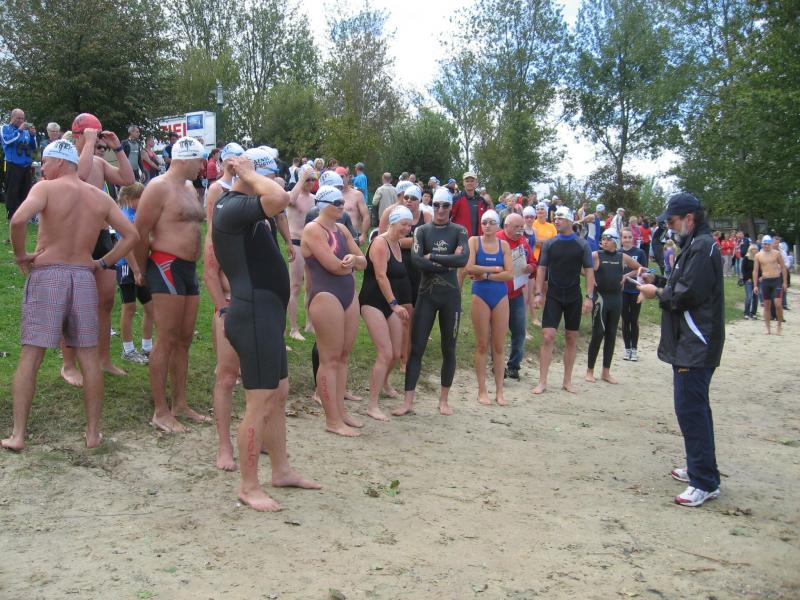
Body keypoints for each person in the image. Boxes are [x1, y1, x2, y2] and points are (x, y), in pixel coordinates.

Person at [2, 140, 138, 451]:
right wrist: (102, 262)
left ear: (60, 162)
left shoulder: (45, 188)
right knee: (89, 356)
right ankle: (92, 434)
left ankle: (18, 435)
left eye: (46, 162)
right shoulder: (99, 196)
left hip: (48, 274)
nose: (42, 167)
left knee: (31, 354)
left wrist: (22, 254)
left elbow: (18, 219)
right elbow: (131, 235)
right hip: (83, 276)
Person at [212, 151, 320, 511]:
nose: (274, 182)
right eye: (270, 176)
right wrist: (247, 173)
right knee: (258, 401)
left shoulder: (253, 208)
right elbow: (279, 198)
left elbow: (276, 201)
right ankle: (248, 486)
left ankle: (281, 469)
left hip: (268, 313)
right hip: (253, 313)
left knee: (279, 392)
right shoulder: (232, 207)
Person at [636, 192, 724, 507]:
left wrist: (655, 292)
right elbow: (681, 285)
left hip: (696, 343)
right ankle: (701, 468)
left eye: (672, 221)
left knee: (691, 410)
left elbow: (686, 296)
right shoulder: (696, 245)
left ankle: (704, 482)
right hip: (691, 342)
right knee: (693, 409)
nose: (669, 227)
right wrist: (658, 280)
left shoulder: (701, 247)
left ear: (689, 218)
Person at [134, 136, 208, 433]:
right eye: (199, 160)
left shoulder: (188, 188)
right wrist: (140, 270)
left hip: (188, 269)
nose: (202, 166)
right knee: (166, 337)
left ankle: (180, 403)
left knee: (184, 339)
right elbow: (140, 231)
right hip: (165, 264)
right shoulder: (158, 187)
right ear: (185, 159)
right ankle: (160, 411)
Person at [62, 113, 135, 385]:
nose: (98, 142)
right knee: (73, 305)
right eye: (93, 135)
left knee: (105, 302)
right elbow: (79, 176)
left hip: (102, 236)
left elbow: (127, 179)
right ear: (79, 135)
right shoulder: (68, 160)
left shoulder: (99, 162)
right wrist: (89, 142)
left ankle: (104, 359)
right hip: (76, 238)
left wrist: (118, 148)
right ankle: (69, 365)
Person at [393, 187, 469, 417]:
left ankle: (443, 401)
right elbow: (417, 261)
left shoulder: (459, 230)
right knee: (416, 348)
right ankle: (408, 402)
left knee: (449, 348)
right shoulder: (422, 230)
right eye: (436, 205)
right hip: (426, 295)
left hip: (450, 297)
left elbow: (463, 259)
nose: (440, 209)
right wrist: (448, 262)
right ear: (432, 205)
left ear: (451, 207)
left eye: (445, 205)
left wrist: (433, 257)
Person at [301, 185, 367, 437]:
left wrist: (355, 261)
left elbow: (363, 260)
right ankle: (332, 419)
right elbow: (332, 266)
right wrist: (352, 264)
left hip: (347, 294)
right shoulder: (312, 229)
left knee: (343, 356)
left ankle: (340, 412)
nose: (342, 206)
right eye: (337, 203)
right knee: (329, 359)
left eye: (342, 202)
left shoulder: (341, 229)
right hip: (325, 295)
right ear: (323, 205)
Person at [203, 142, 246, 470]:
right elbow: (210, 269)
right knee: (227, 376)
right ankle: (224, 445)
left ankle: (255, 433)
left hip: (257, 302)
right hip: (232, 303)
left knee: (260, 377)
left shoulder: (258, 215)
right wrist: (222, 308)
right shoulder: (219, 218)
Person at [531, 207, 594, 395]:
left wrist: (589, 297)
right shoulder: (550, 244)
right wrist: (538, 293)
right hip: (554, 294)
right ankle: (542, 381)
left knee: (571, 337)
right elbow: (542, 268)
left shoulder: (582, 245)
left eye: (560, 218)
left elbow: (589, 271)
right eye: (556, 218)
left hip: (573, 295)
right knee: (547, 335)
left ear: (570, 221)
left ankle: (567, 381)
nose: (556, 221)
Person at [358, 205, 413, 421]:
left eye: (409, 225)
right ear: (392, 222)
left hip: (391, 304)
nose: (407, 229)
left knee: (397, 353)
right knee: (385, 353)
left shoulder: (397, 243)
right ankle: (372, 405)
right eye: (403, 224)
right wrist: (394, 304)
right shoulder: (380, 243)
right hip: (373, 302)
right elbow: (381, 276)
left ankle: (385, 382)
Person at [465, 210, 513, 405]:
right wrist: (494, 270)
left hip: (500, 295)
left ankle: (500, 391)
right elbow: (469, 267)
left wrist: (484, 275)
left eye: (492, 222)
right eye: (484, 222)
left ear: (498, 225)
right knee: (482, 344)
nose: (487, 226)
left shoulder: (504, 245)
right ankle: (482, 390)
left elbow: (510, 274)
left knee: (499, 346)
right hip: (480, 294)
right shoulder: (474, 242)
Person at [585, 229, 642, 384]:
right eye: (603, 239)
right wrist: (590, 277)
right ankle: (590, 371)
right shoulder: (596, 255)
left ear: (615, 241)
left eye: (608, 239)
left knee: (611, 334)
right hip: (600, 298)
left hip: (616, 298)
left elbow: (639, 268)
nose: (604, 242)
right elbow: (581, 266)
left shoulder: (622, 257)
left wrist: (626, 276)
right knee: (598, 333)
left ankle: (606, 372)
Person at [115, 183, 154, 364]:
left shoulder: (139, 214)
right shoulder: (124, 217)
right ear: (130, 198)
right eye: (141, 198)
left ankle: (147, 347)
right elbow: (126, 247)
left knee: (150, 307)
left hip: (141, 267)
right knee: (129, 308)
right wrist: (136, 270)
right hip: (127, 267)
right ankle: (128, 350)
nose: (144, 201)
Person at [496, 213, 536, 380]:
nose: (520, 230)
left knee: (519, 330)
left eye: (521, 227)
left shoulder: (523, 241)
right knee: (498, 331)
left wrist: (530, 267)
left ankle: (514, 366)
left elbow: (533, 262)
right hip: (498, 293)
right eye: (516, 227)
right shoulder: (496, 239)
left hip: (516, 293)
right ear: (506, 226)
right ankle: (497, 366)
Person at [286, 163, 318, 339]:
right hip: (296, 242)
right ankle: (293, 328)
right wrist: (301, 178)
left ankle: (309, 323)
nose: (311, 182)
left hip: (311, 244)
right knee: (295, 286)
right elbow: (290, 200)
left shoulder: (315, 199)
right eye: (308, 179)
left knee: (311, 286)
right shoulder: (293, 196)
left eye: (313, 179)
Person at [2, 108, 38, 221]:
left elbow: (34, 147)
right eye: (18, 118)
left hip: (26, 166)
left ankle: (24, 215)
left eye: (23, 118)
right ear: (12, 117)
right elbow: (6, 141)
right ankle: (11, 216)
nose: (21, 120)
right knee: (12, 191)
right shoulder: (5, 128)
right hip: (12, 165)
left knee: (26, 191)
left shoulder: (26, 132)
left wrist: (32, 136)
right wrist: (19, 130)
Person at [620, 228, 648, 361]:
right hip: (623, 291)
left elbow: (643, 269)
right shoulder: (618, 253)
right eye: (624, 237)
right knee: (625, 319)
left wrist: (627, 275)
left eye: (629, 237)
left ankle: (634, 349)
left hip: (636, 289)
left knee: (634, 319)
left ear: (633, 238)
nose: (627, 240)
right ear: (621, 239)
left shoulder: (639, 252)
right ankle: (627, 349)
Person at [753, 235, 788, 335]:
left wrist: (785, 282)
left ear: (771, 244)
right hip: (766, 281)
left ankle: (779, 326)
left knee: (778, 304)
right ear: (762, 244)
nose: (767, 246)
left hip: (776, 280)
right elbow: (755, 271)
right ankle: (768, 328)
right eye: (765, 244)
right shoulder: (758, 255)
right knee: (767, 306)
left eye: (768, 244)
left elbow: (783, 267)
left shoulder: (776, 253)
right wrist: (755, 285)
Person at [530, 202, 557, 327]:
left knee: (545, 287)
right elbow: (534, 242)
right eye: (538, 209)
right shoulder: (532, 224)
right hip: (534, 259)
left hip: (547, 260)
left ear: (546, 212)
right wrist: (546, 242)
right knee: (534, 288)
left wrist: (541, 242)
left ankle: (545, 315)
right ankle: (534, 317)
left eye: (542, 209)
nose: (540, 210)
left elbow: (555, 242)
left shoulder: (551, 226)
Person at [339, 167, 369, 244]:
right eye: (337, 177)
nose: (340, 179)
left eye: (342, 176)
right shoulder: (331, 196)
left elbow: (366, 216)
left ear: (347, 177)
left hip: (353, 236)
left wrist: (363, 235)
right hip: (336, 237)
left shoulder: (357, 195)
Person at [741, 244, 759, 319]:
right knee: (749, 297)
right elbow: (743, 269)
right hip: (748, 279)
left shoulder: (758, 258)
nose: (754, 251)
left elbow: (760, 269)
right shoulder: (746, 258)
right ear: (750, 250)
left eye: (755, 249)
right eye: (753, 249)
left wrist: (760, 277)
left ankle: (753, 313)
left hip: (757, 280)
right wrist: (747, 278)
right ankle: (746, 313)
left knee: (756, 297)